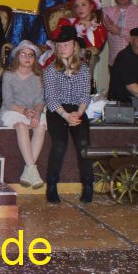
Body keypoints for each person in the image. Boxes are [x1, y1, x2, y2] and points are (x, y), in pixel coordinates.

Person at [43, 26, 92, 204]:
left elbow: (85, 95)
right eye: (59, 45)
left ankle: (88, 185)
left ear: (74, 46)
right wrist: (66, 116)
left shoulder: (84, 69)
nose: (62, 48)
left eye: (66, 44)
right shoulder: (50, 70)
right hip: (58, 111)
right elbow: (51, 98)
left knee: (83, 145)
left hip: (77, 110)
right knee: (59, 144)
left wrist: (78, 113)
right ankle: (51, 185)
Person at [0, 40, 46, 189]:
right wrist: (24, 111)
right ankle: (32, 170)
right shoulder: (9, 75)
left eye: (31, 55)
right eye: (23, 54)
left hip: (33, 110)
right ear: (17, 56)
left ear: (34, 59)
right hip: (13, 110)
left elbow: (40, 100)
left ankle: (28, 171)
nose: (27, 58)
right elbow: (7, 101)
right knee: (22, 126)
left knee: (40, 127)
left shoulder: (38, 76)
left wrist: (37, 114)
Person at [44, 0, 107, 70]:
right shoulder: (67, 22)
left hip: (79, 63)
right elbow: (55, 37)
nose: (80, 9)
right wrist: (72, 29)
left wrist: (89, 29)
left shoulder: (98, 28)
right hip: (59, 57)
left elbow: (94, 47)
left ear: (91, 6)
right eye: (77, 6)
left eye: (83, 5)